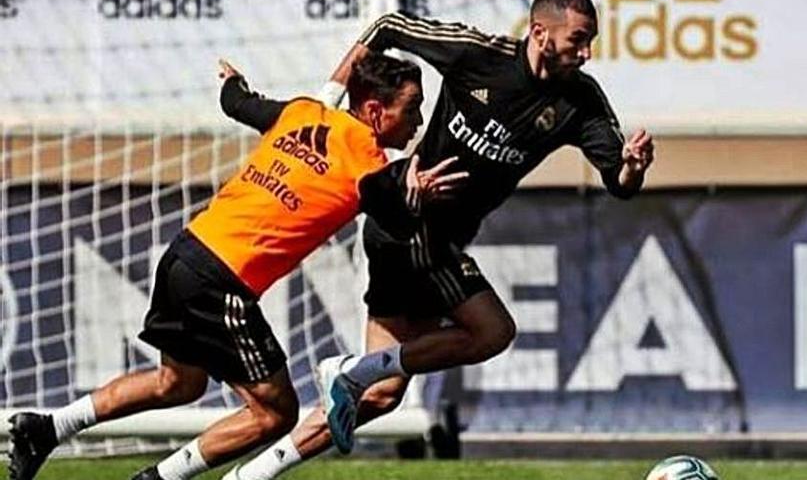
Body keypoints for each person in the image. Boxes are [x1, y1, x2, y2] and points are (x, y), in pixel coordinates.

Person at [224, 0, 656, 477]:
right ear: (540, 32)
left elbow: (619, 183)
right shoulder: (478, 55)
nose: (587, 53)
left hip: (424, 238)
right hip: (413, 222)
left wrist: (632, 167)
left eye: (590, 42)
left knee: (382, 395)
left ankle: (253, 473)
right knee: (493, 332)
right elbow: (386, 27)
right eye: (578, 40)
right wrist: (328, 99)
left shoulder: (580, 101)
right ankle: (349, 371)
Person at [6, 52, 466, 480]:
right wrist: (416, 192)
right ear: (373, 111)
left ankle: (47, 427)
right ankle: (160, 479)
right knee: (276, 412)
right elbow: (397, 214)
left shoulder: (301, 112)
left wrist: (234, 82)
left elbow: (237, 103)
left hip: (185, 254)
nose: (418, 122)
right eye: (411, 109)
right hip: (221, 281)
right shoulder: (367, 160)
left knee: (178, 383)